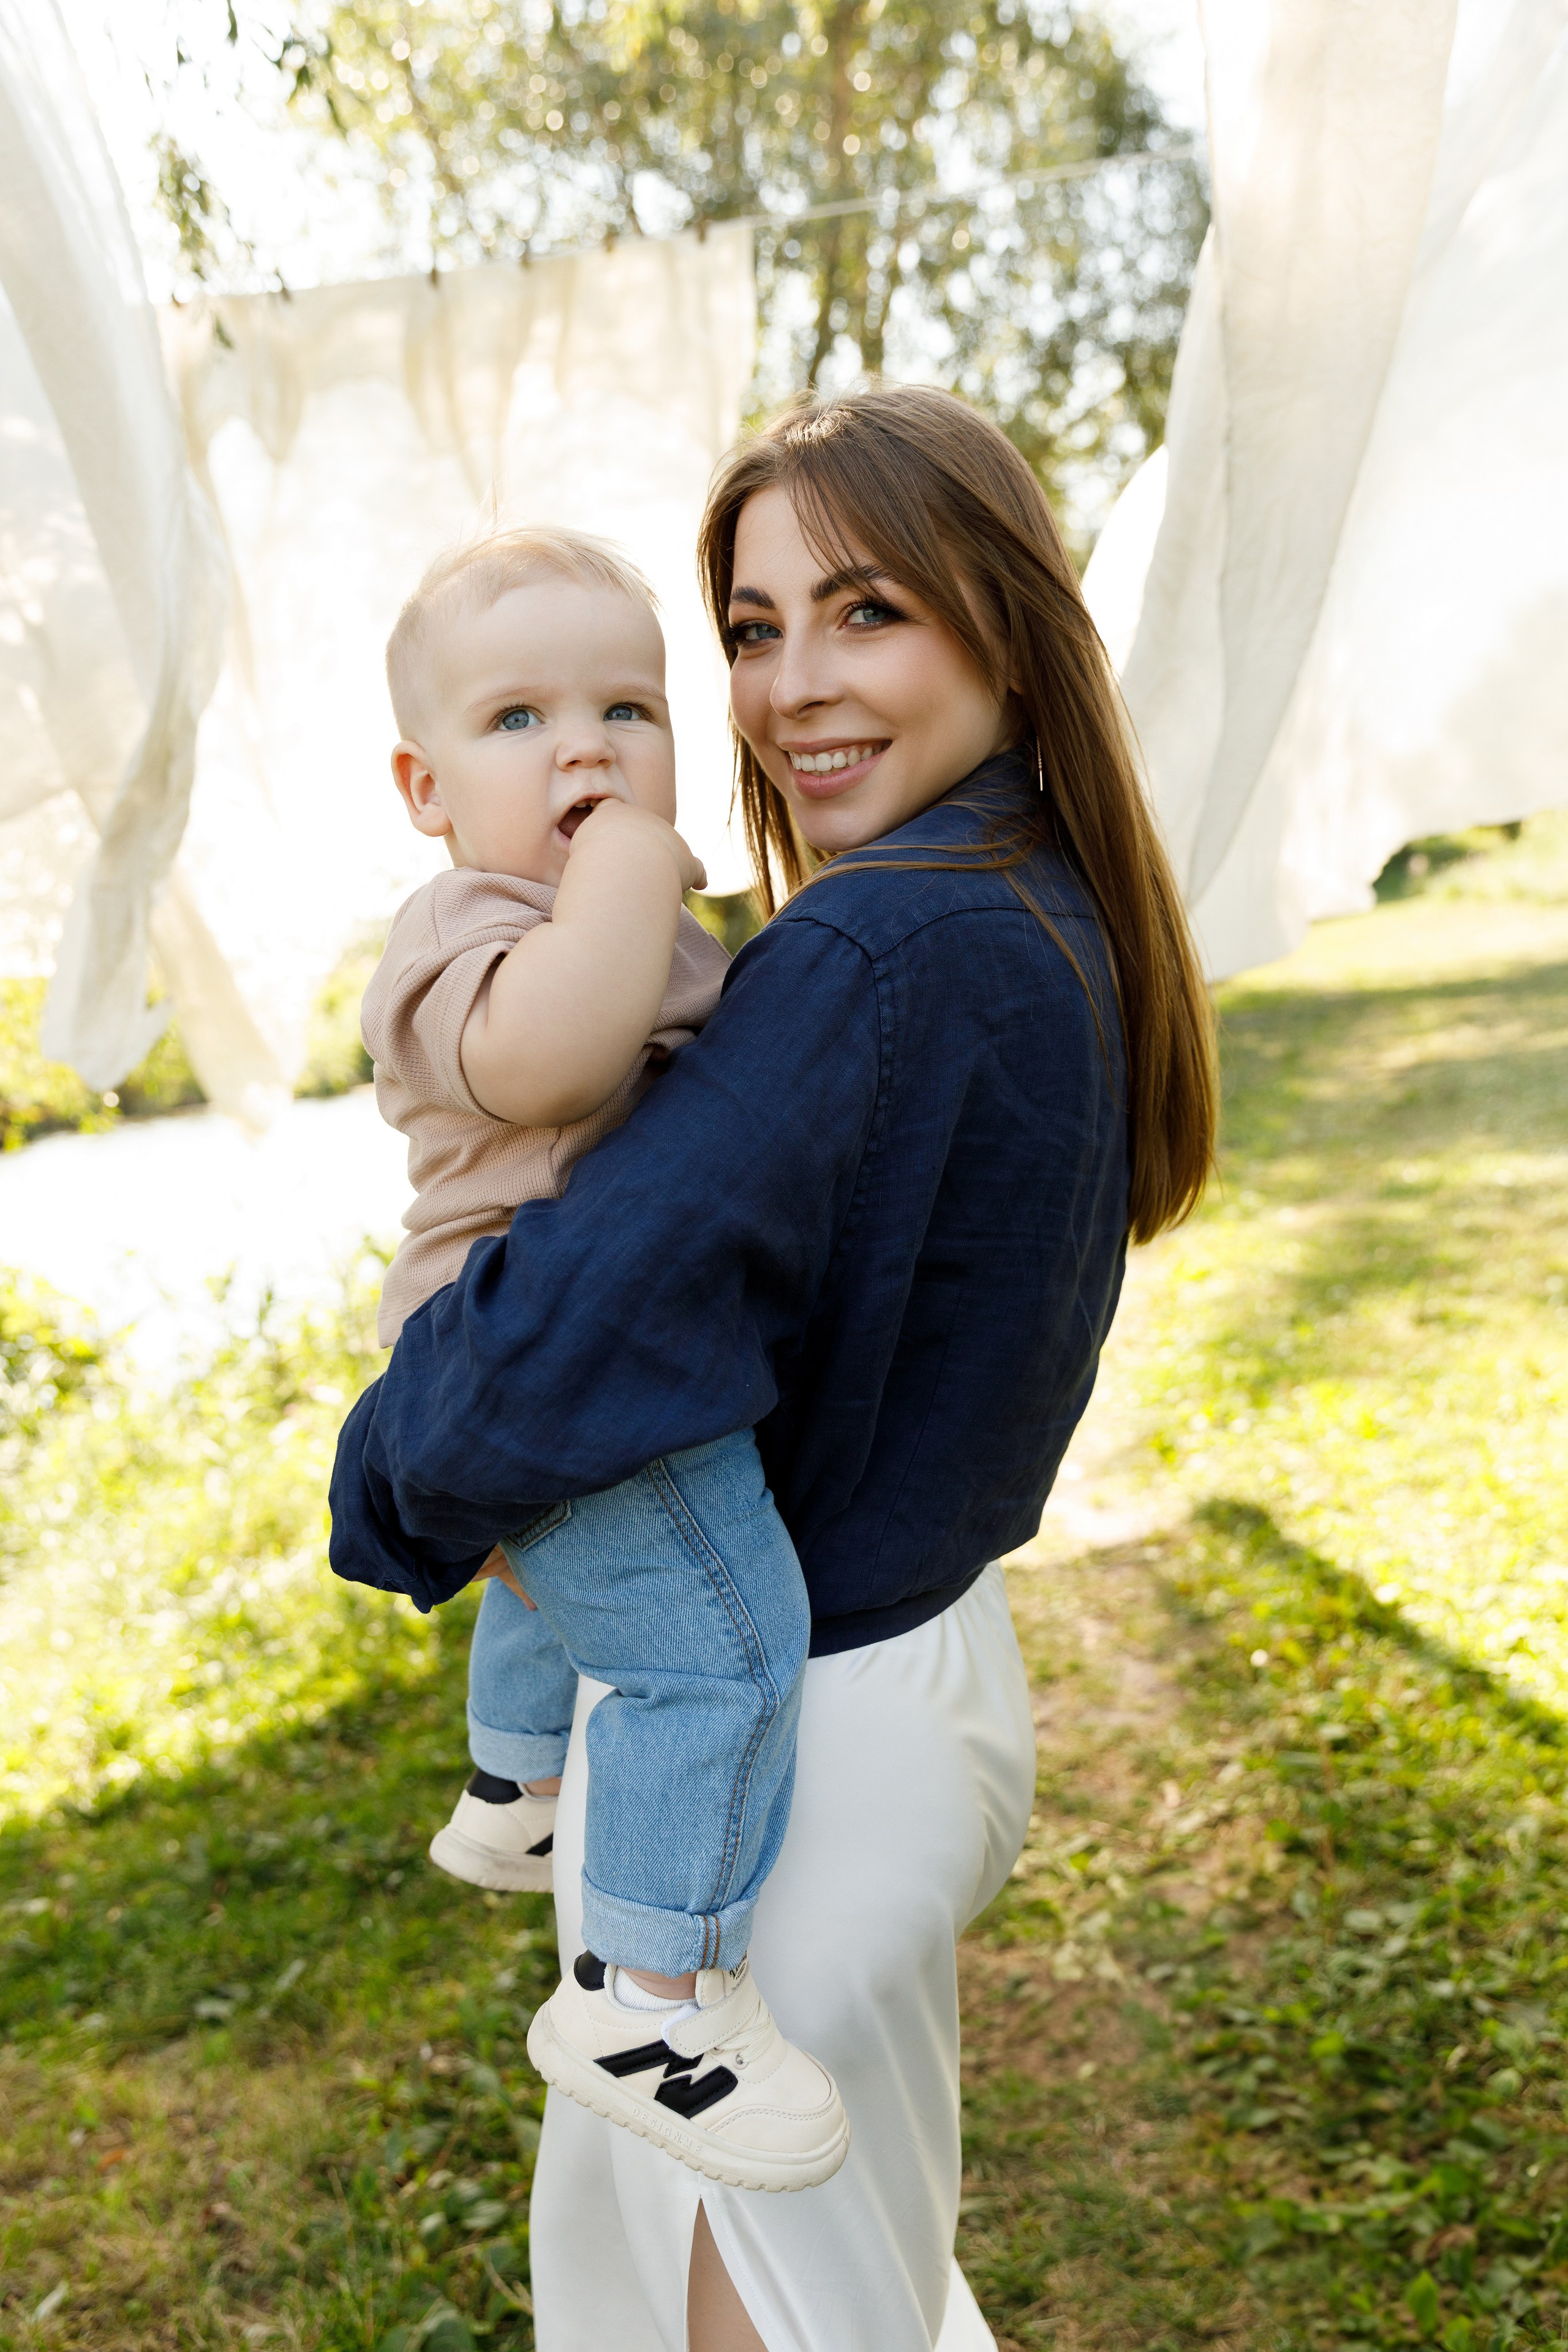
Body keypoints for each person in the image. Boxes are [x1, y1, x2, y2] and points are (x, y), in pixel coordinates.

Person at [331, 386, 1216, 2351]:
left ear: (1006, 627)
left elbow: (573, 1336)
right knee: (833, 2282)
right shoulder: (1038, 895)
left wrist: (394, 1475)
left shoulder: (867, 951)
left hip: (794, 1742)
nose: (792, 685)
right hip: (922, 1674)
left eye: (866, 610)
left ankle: (520, 1783)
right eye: (751, 628)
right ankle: (516, 1770)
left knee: (757, 2309)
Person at [341, 524, 850, 2196]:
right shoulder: (458, 928)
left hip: (579, 1346)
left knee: (566, 1584)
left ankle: (521, 1781)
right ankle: (647, 2006)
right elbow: (554, 1064)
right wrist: (636, 866)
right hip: (541, 1355)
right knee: (721, 1644)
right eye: (520, 719)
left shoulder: (618, 915)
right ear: (425, 789)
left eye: (629, 709)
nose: (587, 749)